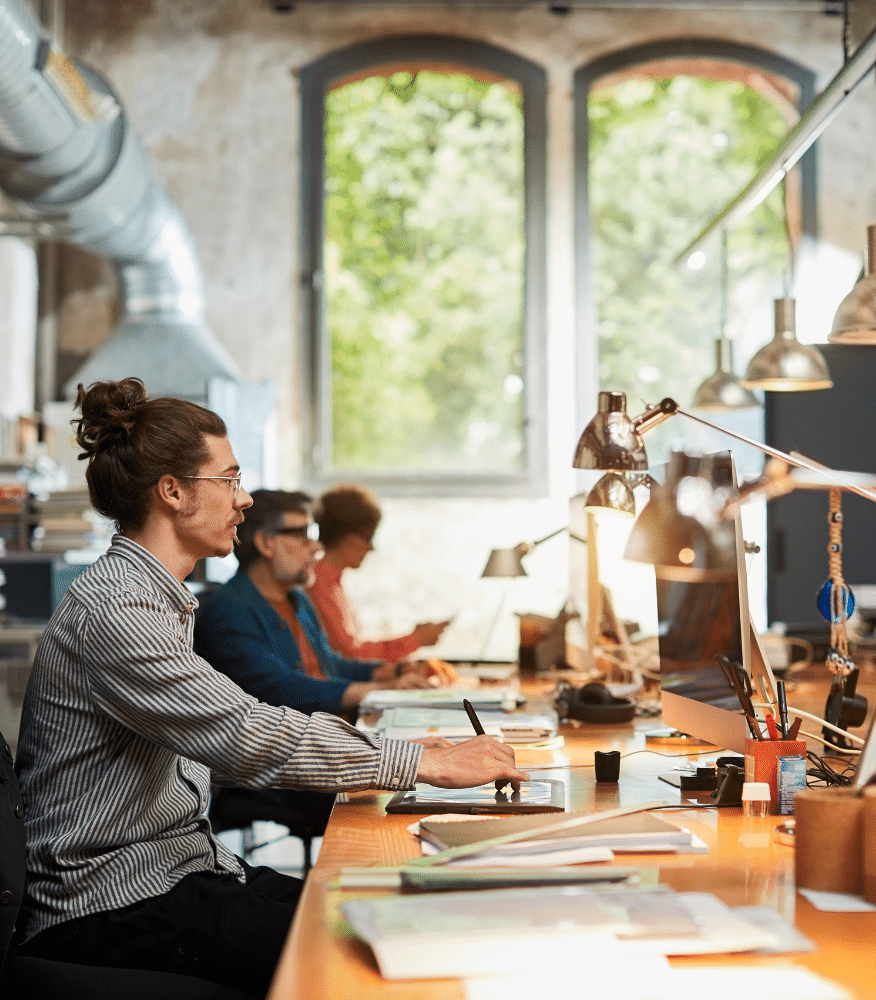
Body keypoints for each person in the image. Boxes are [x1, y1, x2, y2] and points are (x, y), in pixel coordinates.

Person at [12, 378, 526, 999]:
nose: (245, 498)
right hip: (110, 902)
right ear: (172, 492)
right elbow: (246, 732)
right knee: (368, 957)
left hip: (179, 873)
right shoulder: (120, 610)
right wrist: (421, 762)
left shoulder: (157, 599)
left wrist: (421, 758)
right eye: (228, 480)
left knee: (383, 899)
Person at [195, 488, 432, 717]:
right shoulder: (226, 611)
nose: (317, 547)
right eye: (303, 535)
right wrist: (382, 691)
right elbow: (280, 688)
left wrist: (393, 671)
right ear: (266, 544)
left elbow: (328, 664)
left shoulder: (298, 599)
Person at [308, 484, 452, 663]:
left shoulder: (331, 582)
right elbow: (350, 655)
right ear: (346, 536)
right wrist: (416, 640)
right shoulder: (318, 584)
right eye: (368, 537)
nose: (371, 548)